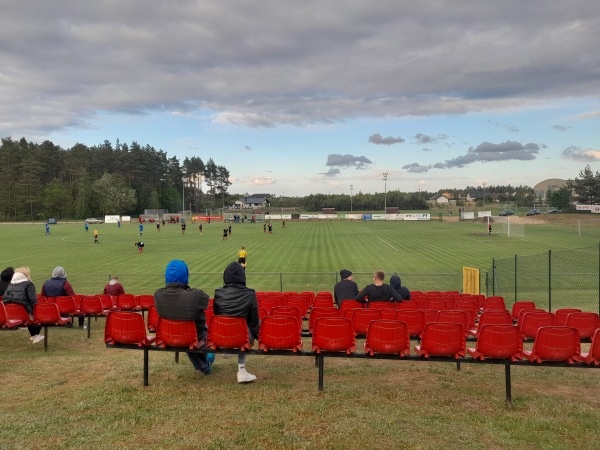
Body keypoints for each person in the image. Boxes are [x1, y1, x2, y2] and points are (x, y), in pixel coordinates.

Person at [154, 260, 214, 375]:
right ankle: (208, 360)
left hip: (169, 336)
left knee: (188, 332)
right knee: (196, 332)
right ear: (185, 275)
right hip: (193, 337)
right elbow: (205, 301)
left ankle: (204, 366)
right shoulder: (195, 295)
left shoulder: (158, 295)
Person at [213, 262, 260, 383]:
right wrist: (258, 336)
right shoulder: (250, 294)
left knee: (240, 327)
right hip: (239, 335)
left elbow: (218, 316)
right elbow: (254, 322)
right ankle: (242, 370)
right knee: (246, 329)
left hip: (221, 335)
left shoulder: (218, 293)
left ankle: (229, 350)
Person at [2, 267, 44, 343]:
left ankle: (34, 335)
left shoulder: (10, 285)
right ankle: (35, 335)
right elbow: (33, 300)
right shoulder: (28, 284)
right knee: (41, 313)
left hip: (11, 314)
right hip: (24, 314)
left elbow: (4, 299)